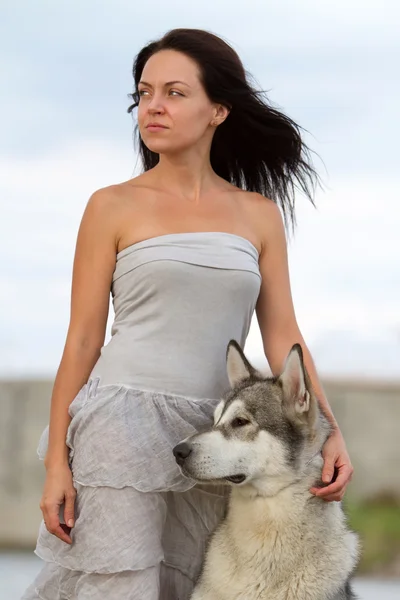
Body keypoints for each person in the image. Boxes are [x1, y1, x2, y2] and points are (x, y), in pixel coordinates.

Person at [22, 28, 353, 600]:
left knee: (194, 586)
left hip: (219, 432)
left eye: (174, 92)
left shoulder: (258, 214)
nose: (153, 106)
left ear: (218, 110)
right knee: (119, 587)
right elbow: (81, 341)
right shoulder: (111, 205)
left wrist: (327, 429)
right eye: (143, 93)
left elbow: (284, 336)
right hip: (120, 427)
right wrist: (58, 462)